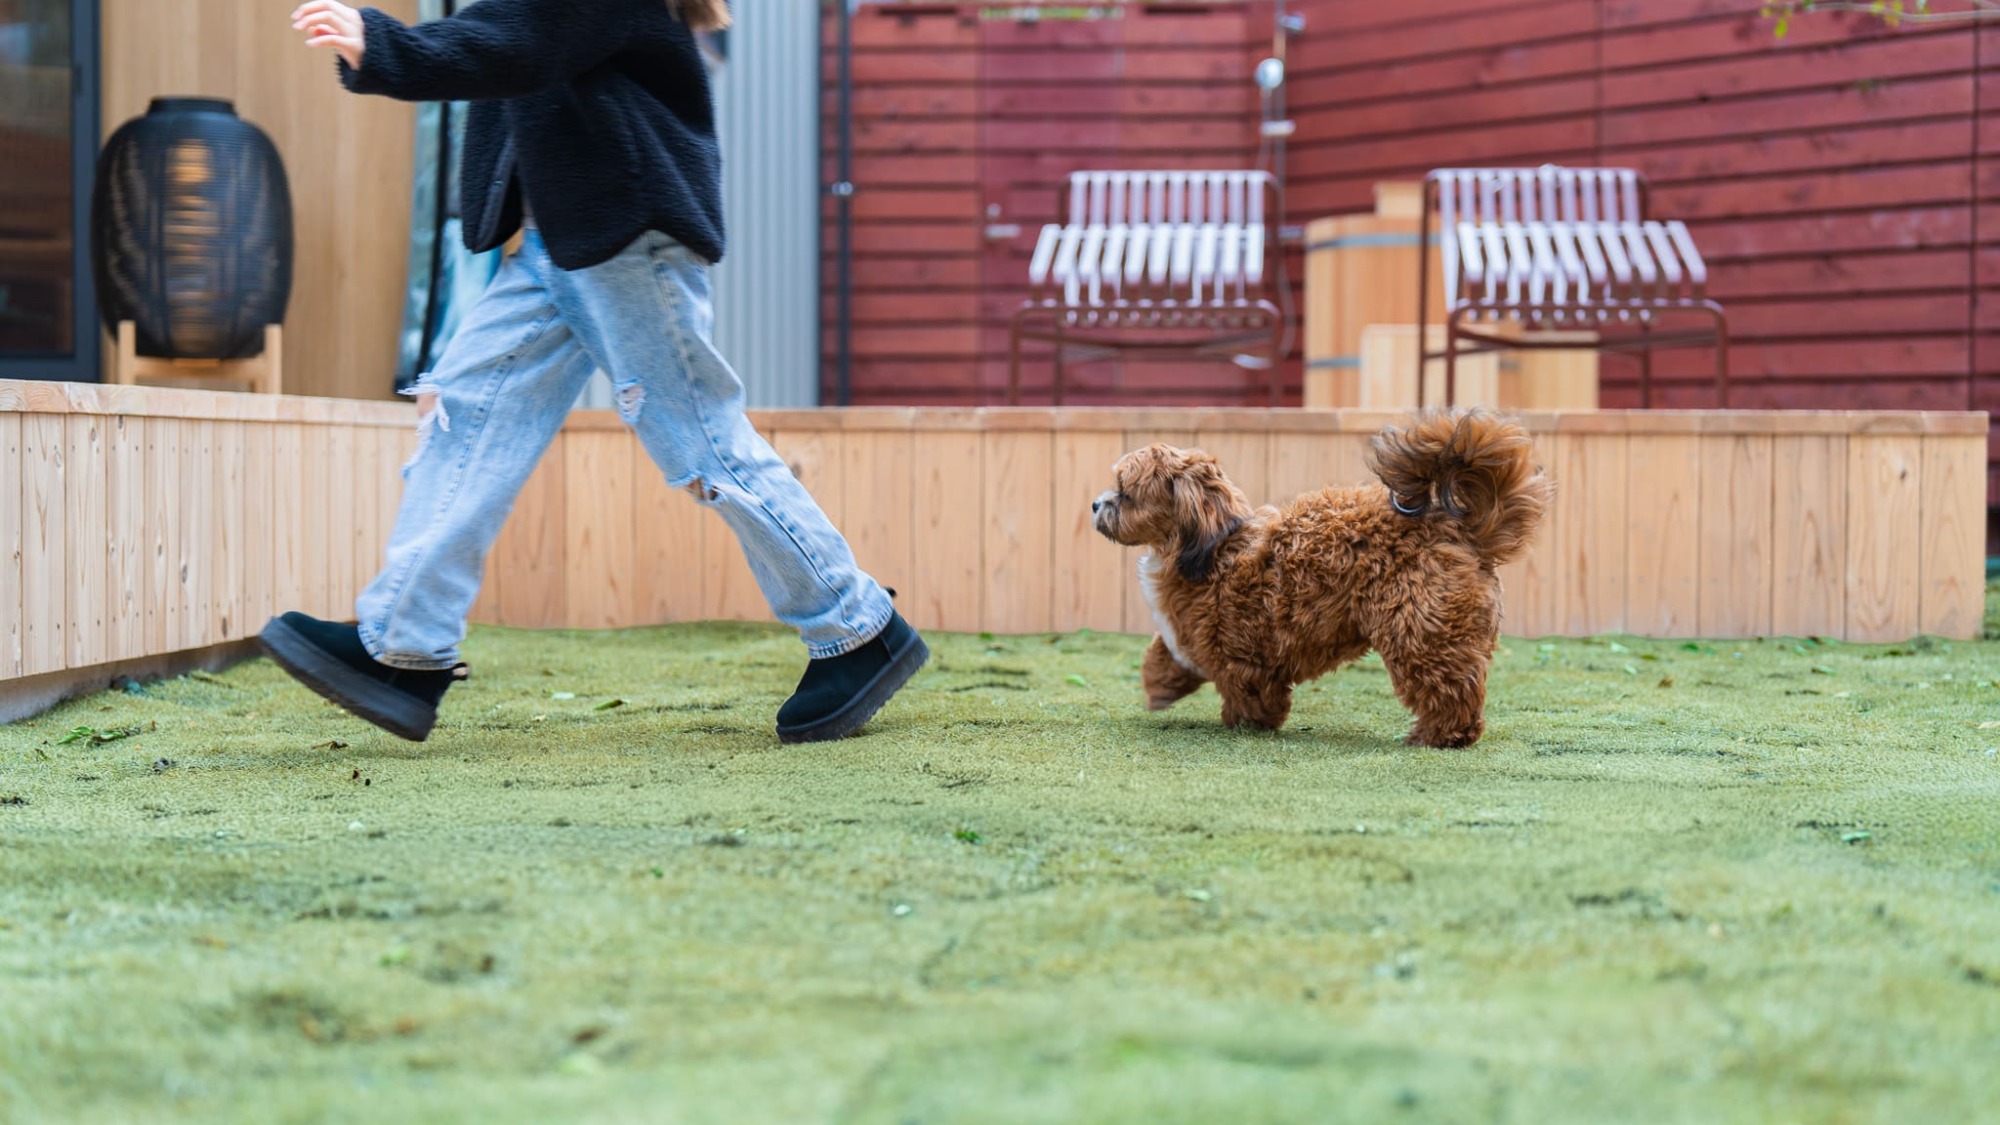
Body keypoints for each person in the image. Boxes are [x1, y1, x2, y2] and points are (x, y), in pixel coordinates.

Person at [259, 0, 927, 744]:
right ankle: (404, 646)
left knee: (700, 442)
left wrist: (388, 48)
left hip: (623, 236)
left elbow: (524, 38)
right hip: (560, 240)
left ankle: (857, 626)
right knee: (465, 417)